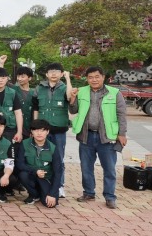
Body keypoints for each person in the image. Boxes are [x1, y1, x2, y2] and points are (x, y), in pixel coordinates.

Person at [69, 66, 127, 209]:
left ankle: (110, 196)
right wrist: (72, 98)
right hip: (86, 136)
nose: (94, 80)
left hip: (106, 137)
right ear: (87, 79)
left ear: (103, 77)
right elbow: (73, 110)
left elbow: (121, 114)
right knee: (86, 167)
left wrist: (122, 134)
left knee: (109, 169)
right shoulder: (81, 91)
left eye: (96, 76)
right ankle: (89, 192)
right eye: (90, 77)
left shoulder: (114, 93)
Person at [32, 62, 72, 198]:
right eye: (51, 71)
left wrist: (68, 79)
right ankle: (41, 185)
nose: (54, 73)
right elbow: (36, 107)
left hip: (59, 130)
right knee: (40, 157)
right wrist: (35, 125)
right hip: (42, 130)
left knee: (58, 158)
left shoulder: (65, 87)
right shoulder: (39, 88)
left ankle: (59, 186)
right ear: (46, 74)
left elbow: (69, 98)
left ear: (61, 73)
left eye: (57, 71)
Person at [16, 119, 62, 208]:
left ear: (47, 132)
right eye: (36, 130)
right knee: (22, 175)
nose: (39, 133)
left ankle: (41, 194)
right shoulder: (25, 144)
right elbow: (20, 164)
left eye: (42, 130)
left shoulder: (53, 148)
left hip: (45, 179)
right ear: (32, 132)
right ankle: (34, 194)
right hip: (31, 176)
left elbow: (58, 172)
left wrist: (52, 194)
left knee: (50, 204)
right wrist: (35, 171)